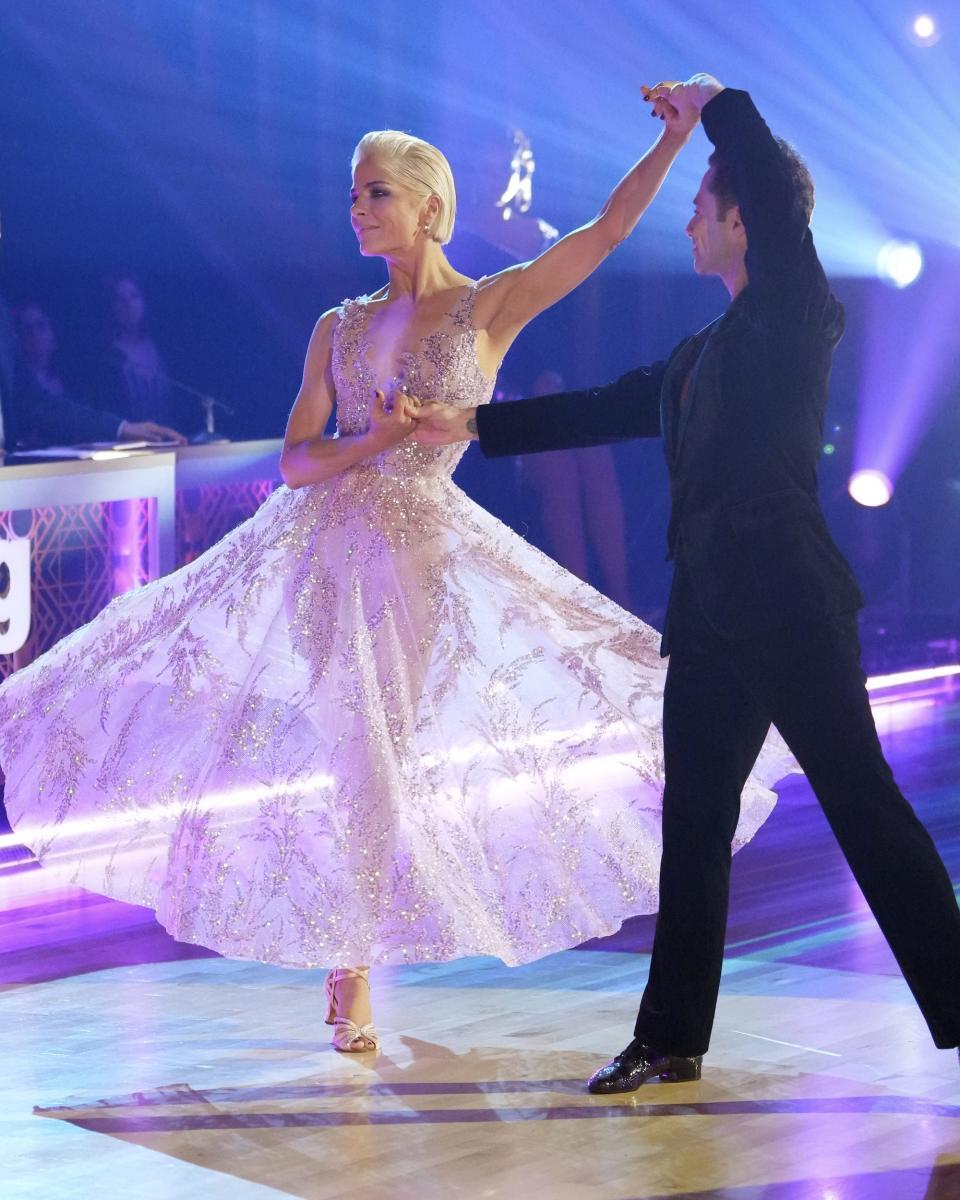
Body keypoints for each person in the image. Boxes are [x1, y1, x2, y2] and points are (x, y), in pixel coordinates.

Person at [0, 106, 793, 1059]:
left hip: (420, 556)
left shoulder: (486, 307)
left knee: (386, 753)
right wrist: (368, 440)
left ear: (428, 208)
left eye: (376, 193)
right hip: (318, 553)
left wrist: (674, 140)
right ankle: (354, 965)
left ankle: (355, 951)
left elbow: (605, 233)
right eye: (352, 195)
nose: (358, 210)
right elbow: (295, 461)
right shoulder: (340, 324)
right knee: (356, 754)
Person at [414, 75, 960, 1089]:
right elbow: (612, 404)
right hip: (708, 617)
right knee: (693, 825)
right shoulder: (701, 351)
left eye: (701, 206)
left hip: (793, 606)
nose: (690, 223)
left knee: (865, 811)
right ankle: (671, 1037)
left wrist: (721, 107)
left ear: (743, 219)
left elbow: (778, 191)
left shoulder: (797, 311)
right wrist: (476, 426)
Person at [12, 302, 184, 447]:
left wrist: (122, 428)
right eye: (26, 329)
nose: (34, 335)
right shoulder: (13, 387)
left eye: (40, 326)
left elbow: (51, 409)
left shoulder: (71, 380)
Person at [100, 275, 178, 427]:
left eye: (134, 296)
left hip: (171, 435)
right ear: (112, 307)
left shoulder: (163, 347)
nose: (129, 304)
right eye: (121, 299)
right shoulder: (107, 357)